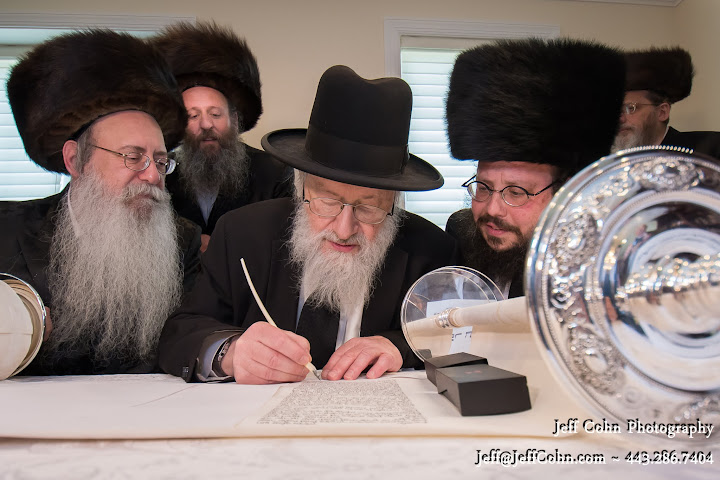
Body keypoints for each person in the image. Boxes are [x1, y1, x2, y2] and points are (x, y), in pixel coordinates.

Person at [158, 65, 457, 384]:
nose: (344, 230)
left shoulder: (430, 251)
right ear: (301, 188)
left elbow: (464, 333)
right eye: (327, 201)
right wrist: (229, 352)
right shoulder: (241, 234)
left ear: (393, 203)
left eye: (369, 207)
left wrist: (401, 344)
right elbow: (181, 331)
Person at [0, 30, 202, 375]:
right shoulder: (7, 228)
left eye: (160, 161)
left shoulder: (184, 240)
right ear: (75, 160)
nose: (152, 175)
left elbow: (186, 337)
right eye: (132, 157)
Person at [445, 38, 625, 298]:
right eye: (483, 187)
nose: (492, 209)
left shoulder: (600, 279)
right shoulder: (462, 235)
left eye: (516, 192)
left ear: (565, 195)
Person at [152, 22, 292, 252]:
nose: (206, 124)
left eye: (215, 114)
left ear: (234, 120)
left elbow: (283, 243)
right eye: (193, 115)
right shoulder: (161, 174)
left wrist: (221, 247)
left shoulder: (275, 174)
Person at [612, 47, 720, 158]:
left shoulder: (710, 149)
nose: (620, 119)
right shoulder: (612, 165)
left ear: (662, 112)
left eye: (630, 108)